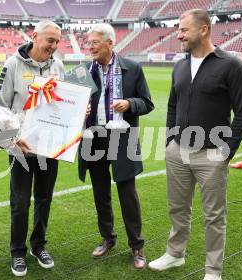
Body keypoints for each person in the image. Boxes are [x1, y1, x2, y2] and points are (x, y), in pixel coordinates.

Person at [148, 9, 242, 280]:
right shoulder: (180, 65)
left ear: (203, 29)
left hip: (212, 154)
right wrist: (171, 140)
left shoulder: (231, 65)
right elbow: (173, 104)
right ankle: (175, 254)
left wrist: (226, 151)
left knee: (214, 216)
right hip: (177, 151)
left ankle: (213, 270)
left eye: (183, 30)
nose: (178, 35)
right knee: (177, 208)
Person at [77, 23, 154, 269]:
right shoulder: (81, 72)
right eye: (88, 43)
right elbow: (71, 106)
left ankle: (137, 246)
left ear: (110, 43)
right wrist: (81, 110)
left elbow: (147, 102)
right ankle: (107, 238)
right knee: (100, 192)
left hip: (122, 139)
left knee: (127, 194)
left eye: (95, 43)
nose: (90, 47)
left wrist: (130, 103)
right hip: (94, 139)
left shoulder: (132, 68)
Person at [0, 20, 64, 277]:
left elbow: (64, 104)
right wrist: (12, 139)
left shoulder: (57, 65)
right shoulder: (12, 65)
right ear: (35, 37)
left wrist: (78, 111)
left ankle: (38, 245)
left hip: (49, 148)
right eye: (50, 40)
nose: (53, 46)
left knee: (44, 200)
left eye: (57, 42)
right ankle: (17, 252)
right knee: (20, 203)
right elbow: (0, 107)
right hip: (20, 149)